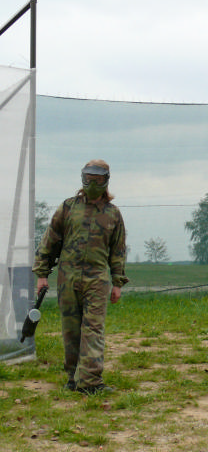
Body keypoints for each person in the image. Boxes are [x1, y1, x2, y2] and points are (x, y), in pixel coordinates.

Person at [33, 160, 128, 395]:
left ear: (106, 181)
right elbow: (50, 240)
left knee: (93, 329)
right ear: (82, 179)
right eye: (88, 179)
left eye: (97, 180)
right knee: (71, 330)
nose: (92, 184)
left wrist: (117, 283)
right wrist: (42, 275)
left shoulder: (113, 214)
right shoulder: (68, 208)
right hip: (68, 278)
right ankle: (73, 378)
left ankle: (91, 381)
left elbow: (118, 251)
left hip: (97, 280)